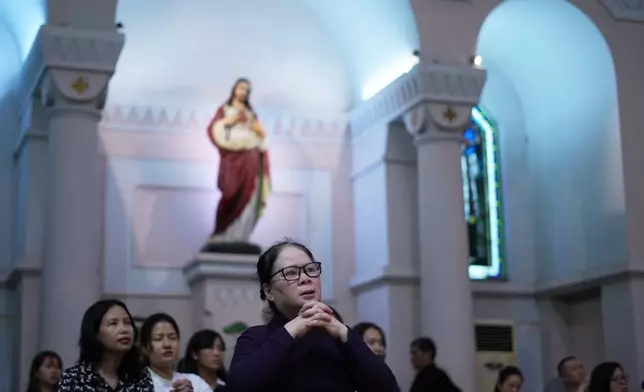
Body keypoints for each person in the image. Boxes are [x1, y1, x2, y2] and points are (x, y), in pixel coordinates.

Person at [226, 239, 400, 392]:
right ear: (268, 291)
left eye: (310, 269)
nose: (305, 278)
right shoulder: (256, 338)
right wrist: (292, 330)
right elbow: (239, 387)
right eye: (291, 273)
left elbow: (387, 387)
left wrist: (345, 333)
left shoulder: (340, 340)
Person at [201, 77, 271, 253]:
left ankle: (241, 234)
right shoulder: (225, 110)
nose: (243, 92)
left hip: (251, 156)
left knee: (250, 194)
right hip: (232, 158)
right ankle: (223, 232)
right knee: (230, 192)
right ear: (234, 90)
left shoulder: (250, 114)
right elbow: (214, 129)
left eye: (246, 90)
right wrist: (229, 121)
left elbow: (261, 136)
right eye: (241, 88)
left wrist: (256, 130)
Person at [56, 299, 153, 391]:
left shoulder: (140, 376)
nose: (124, 329)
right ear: (95, 333)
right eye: (113, 323)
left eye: (127, 322)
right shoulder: (74, 379)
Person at [140, 313, 211, 392]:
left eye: (172, 337)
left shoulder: (195, 382)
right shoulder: (137, 385)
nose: (167, 344)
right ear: (144, 348)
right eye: (158, 339)